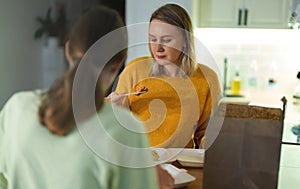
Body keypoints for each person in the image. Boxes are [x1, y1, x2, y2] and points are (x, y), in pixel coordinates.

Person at [0, 5, 174, 189]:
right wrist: (153, 183)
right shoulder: (124, 130)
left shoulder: (16, 108)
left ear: (68, 50)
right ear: (119, 65)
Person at [108, 4, 221, 148]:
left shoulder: (207, 79)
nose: (157, 48)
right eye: (153, 39)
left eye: (166, 40)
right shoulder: (134, 70)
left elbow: (206, 134)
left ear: (185, 41)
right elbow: (118, 132)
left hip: (182, 166)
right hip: (140, 162)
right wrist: (117, 110)